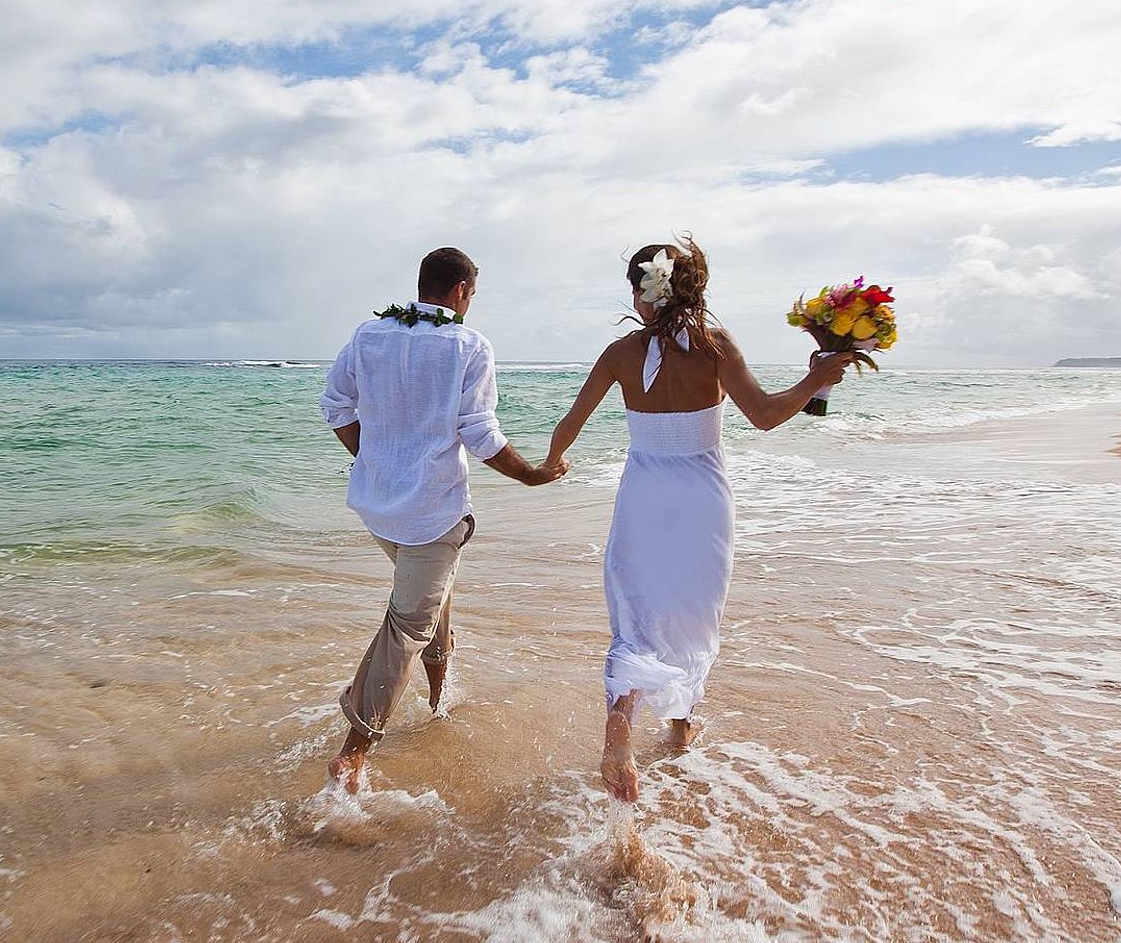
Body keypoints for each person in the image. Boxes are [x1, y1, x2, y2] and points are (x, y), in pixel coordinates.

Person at [542, 236, 852, 803]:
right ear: (693, 286)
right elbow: (762, 416)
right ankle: (683, 728)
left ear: (643, 291)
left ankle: (620, 731)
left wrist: (550, 463)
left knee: (635, 616)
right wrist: (817, 380)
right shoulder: (714, 344)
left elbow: (569, 422)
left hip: (644, 496)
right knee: (694, 615)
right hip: (703, 499)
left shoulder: (620, 353)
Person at [319, 246, 566, 792]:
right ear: (460, 291)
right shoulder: (468, 345)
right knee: (408, 624)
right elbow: (478, 431)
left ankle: (437, 701)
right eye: (472, 294)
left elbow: (335, 405)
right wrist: (531, 474)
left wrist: (374, 460)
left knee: (432, 598)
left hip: (380, 510)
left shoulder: (368, 335)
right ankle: (353, 752)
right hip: (433, 512)